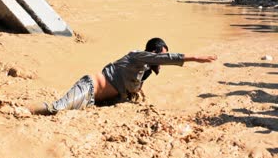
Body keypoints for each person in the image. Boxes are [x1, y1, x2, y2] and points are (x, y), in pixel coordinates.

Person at [30, 38, 217, 115]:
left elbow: (132, 89)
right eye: (158, 57)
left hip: (95, 101)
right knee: (56, 110)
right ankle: (23, 109)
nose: (160, 63)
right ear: (152, 53)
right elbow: (166, 58)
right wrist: (195, 58)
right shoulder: (135, 55)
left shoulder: (144, 72)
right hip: (88, 87)